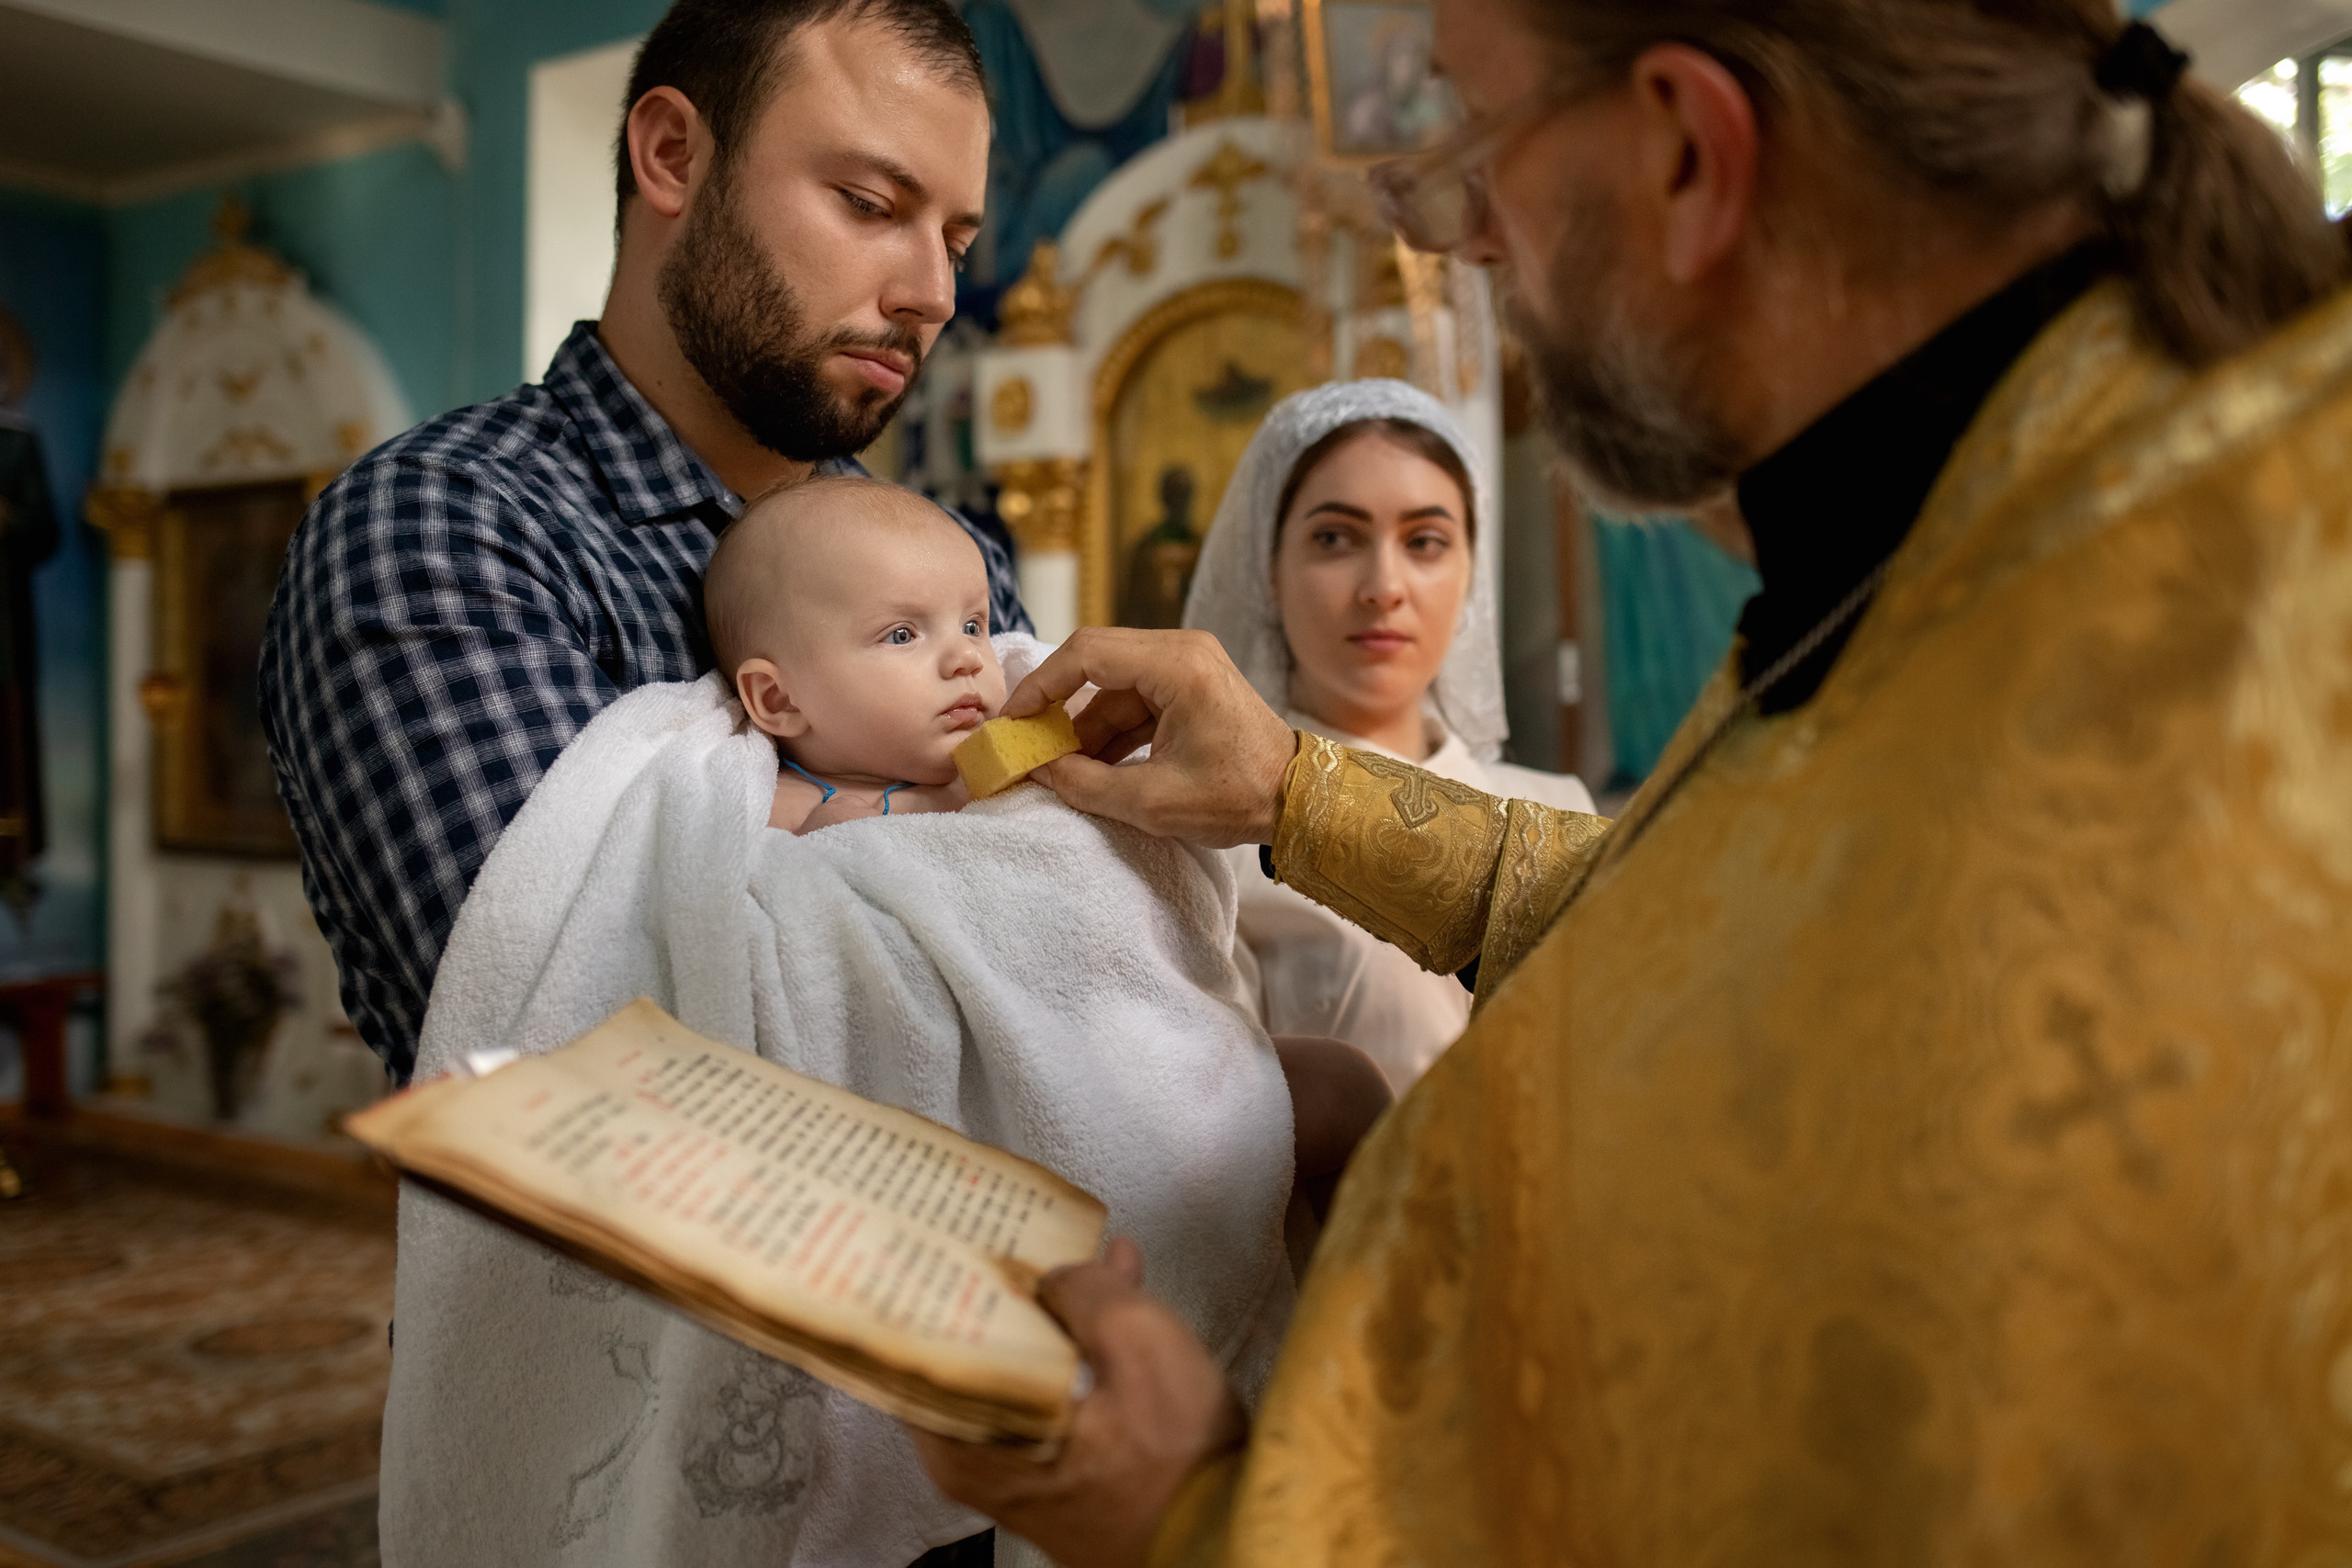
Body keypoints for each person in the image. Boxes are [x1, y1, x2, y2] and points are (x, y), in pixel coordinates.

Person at [908, 1, 2352, 1563]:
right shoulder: (1995, 521)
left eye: (1476, 142)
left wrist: (1189, 1515)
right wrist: (1292, 791)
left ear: (1688, 153)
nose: (1467, 239)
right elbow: (1755, 942)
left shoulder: (2155, 648)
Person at [258, 2, 1012, 1562]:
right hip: (623, 1467)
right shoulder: (449, 532)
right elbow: (608, 1085)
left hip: (979, 1456)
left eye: (956, 231)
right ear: (673, 153)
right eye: (871, 205)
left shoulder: (947, 567)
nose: (933, 288)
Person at [1185, 380, 1592, 1091]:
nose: (1383, 585)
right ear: (1268, 572)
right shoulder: (1213, 840)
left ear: (1471, 575)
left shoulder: (1557, 814)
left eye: (1426, 541)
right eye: (1334, 538)